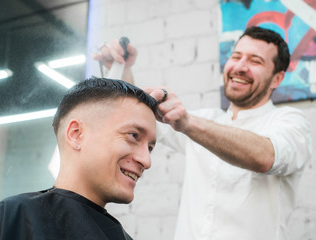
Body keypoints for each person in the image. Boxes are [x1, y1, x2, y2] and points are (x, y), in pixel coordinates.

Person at [93, 26, 312, 239]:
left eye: (255, 61)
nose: (240, 67)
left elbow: (267, 156)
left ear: (277, 78)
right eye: (236, 57)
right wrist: (123, 68)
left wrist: (188, 123)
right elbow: (139, 119)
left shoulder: (290, 122)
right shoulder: (206, 119)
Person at [0, 77, 158, 240]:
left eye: (150, 148)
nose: (146, 161)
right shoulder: (16, 217)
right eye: (133, 136)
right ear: (76, 134)